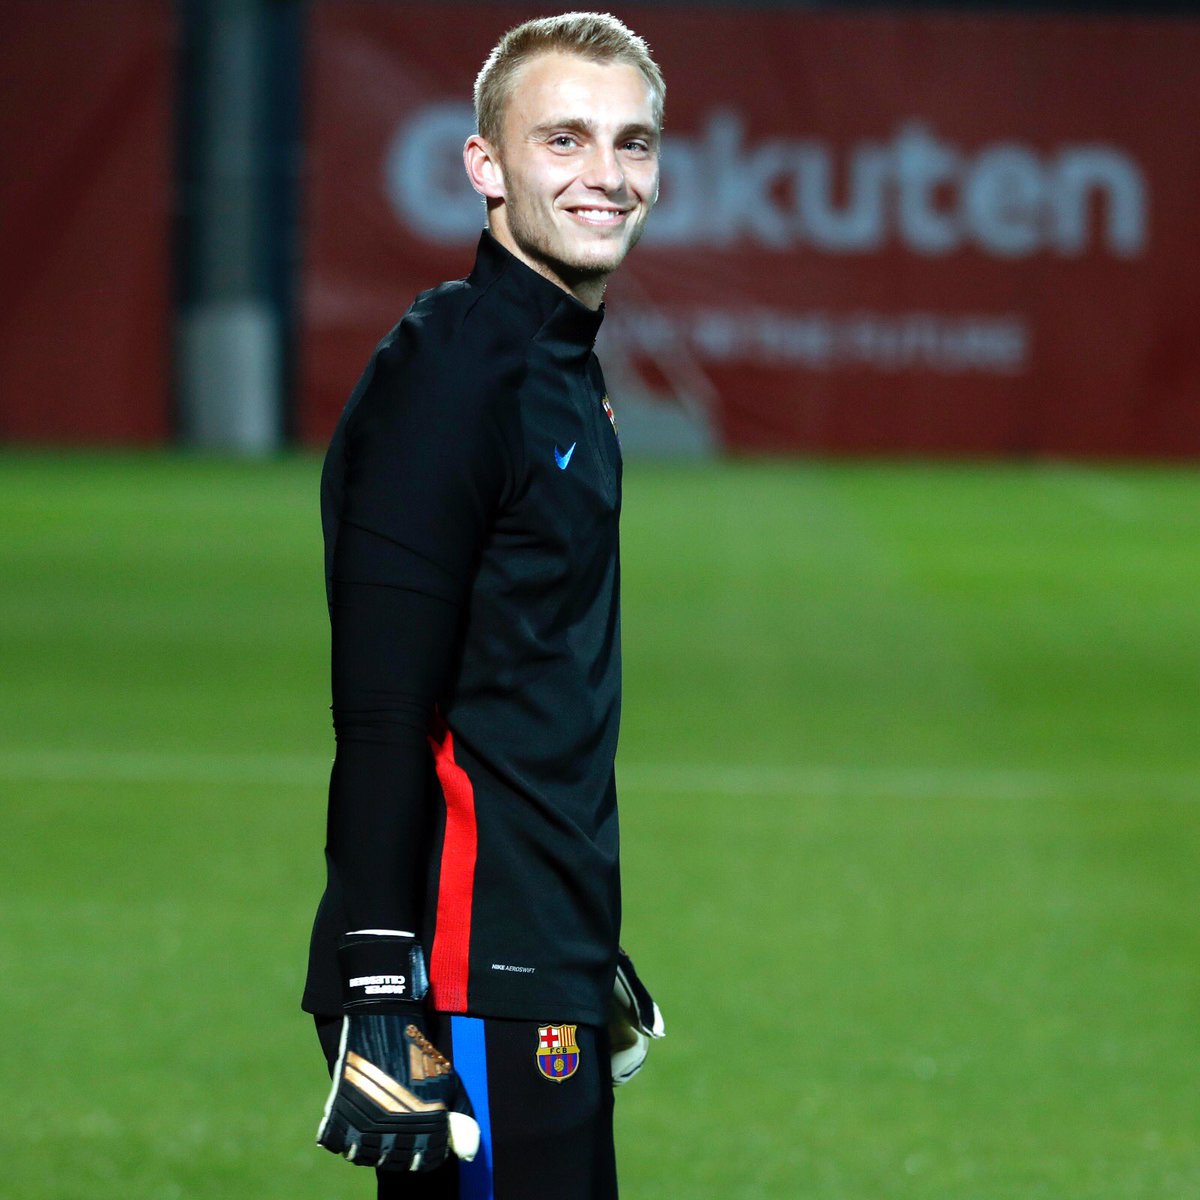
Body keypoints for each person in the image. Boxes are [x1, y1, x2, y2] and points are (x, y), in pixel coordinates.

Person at [302, 13, 667, 1199]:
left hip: (532, 949)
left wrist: (573, 928)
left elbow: (517, 686)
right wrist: (375, 981)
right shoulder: (456, 370)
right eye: (563, 139)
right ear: (486, 164)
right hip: (464, 973)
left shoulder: (557, 365)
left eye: (632, 142)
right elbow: (382, 704)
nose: (606, 174)